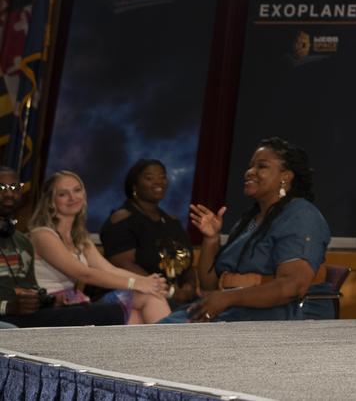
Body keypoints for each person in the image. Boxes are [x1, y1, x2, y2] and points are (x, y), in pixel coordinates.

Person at [176, 137, 330, 322]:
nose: (250, 172)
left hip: (278, 316)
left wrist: (228, 298)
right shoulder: (249, 220)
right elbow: (210, 284)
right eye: (250, 166)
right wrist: (211, 239)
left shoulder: (301, 215)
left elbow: (292, 286)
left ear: (285, 176)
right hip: (235, 309)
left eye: (261, 166)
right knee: (163, 329)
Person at [28, 170, 172, 324]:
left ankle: (170, 346)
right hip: (49, 309)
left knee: (143, 308)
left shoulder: (80, 237)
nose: (72, 197)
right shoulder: (43, 235)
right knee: (145, 301)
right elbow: (84, 274)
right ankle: (176, 347)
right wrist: (137, 283)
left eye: (77, 190)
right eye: (63, 194)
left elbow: (110, 270)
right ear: (51, 201)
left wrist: (150, 282)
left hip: (73, 304)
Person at [0, 166, 125, 328]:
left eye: (14, 187)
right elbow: (85, 274)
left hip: (26, 315)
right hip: (7, 316)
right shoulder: (42, 235)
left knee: (110, 311)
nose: (9, 193)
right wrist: (7, 307)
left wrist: (52, 300)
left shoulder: (22, 242)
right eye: (1, 187)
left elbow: (29, 290)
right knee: (104, 313)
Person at [100, 159, 197, 306]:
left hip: (177, 298)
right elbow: (122, 264)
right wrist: (169, 291)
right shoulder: (122, 219)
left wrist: (189, 287)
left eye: (162, 177)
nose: (159, 182)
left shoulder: (173, 222)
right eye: (149, 178)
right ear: (135, 185)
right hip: (135, 296)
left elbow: (187, 265)